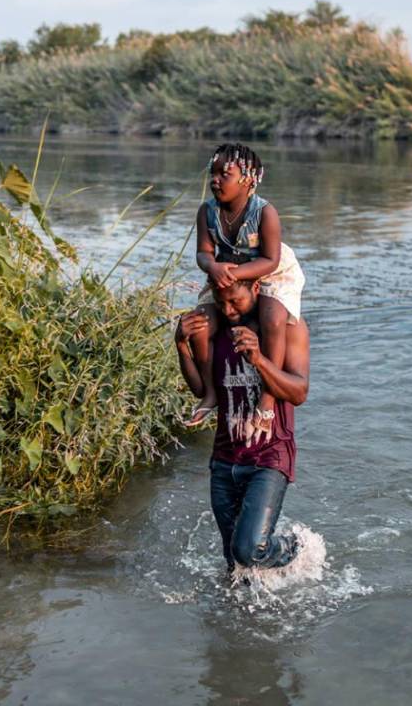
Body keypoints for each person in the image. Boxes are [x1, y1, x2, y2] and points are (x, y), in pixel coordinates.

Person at [175, 278, 311, 572]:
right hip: (224, 460)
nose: (229, 310)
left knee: (248, 550)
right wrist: (181, 345)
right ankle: (251, 601)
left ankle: (293, 545)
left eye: (235, 301)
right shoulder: (216, 332)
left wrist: (259, 359)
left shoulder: (286, 328)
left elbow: (299, 392)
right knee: (234, 564)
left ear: (256, 289)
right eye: (221, 302)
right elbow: (201, 389)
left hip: (269, 458)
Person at [185, 144, 306, 440]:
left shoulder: (264, 212)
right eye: (213, 174)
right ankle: (211, 393)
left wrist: (234, 273)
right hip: (225, 271)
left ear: (248, 180)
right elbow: (203, 252)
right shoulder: (206, 212)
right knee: (199, 324)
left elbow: (271, 260)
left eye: (224, 175)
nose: (215, 180)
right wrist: (212, 267)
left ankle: (267, 401)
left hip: (269, 269)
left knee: (273, 317)